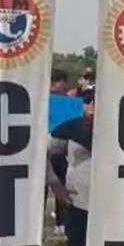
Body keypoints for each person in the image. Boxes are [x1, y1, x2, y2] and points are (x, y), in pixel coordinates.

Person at [46, 111, 93, 246]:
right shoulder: (70, 129)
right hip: (79, 203)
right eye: (89, 101)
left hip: (113, 204)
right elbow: (41, 152)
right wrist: (55, 185)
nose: (93, 106)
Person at [48, 70, 72, 233]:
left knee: (62, 184)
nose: (61, 95)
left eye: (64, 91)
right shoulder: (38, 102)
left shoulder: (68, 104)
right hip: (42, 153)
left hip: (61, 153)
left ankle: (61, 221)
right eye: (58, 91)